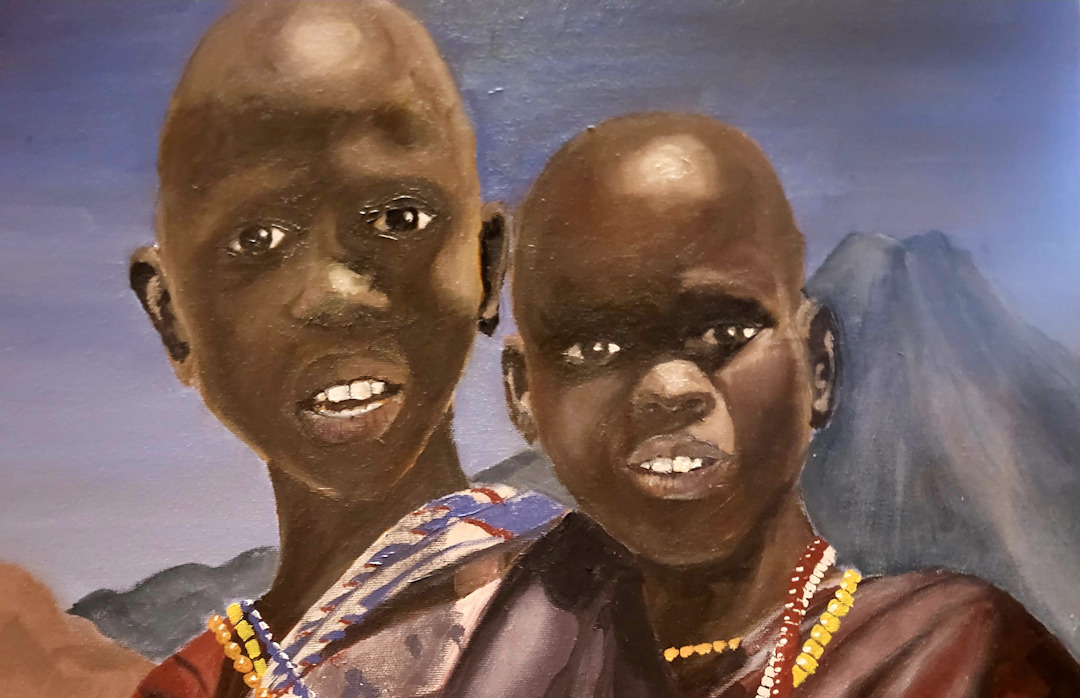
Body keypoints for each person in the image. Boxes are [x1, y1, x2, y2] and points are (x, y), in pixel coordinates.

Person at [445, 113, 1080, 696]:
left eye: (725, 334)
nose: (671, 390)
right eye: (598, 345)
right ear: (524, 394)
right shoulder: (470, 646)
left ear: (819, 367)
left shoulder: (958, 656)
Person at [129, 2, 564, 697]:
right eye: (256, 241)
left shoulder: (595, 609)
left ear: (487, 265)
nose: (336, 296)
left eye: (399, 219)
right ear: (173, 319)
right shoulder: (189, 687)